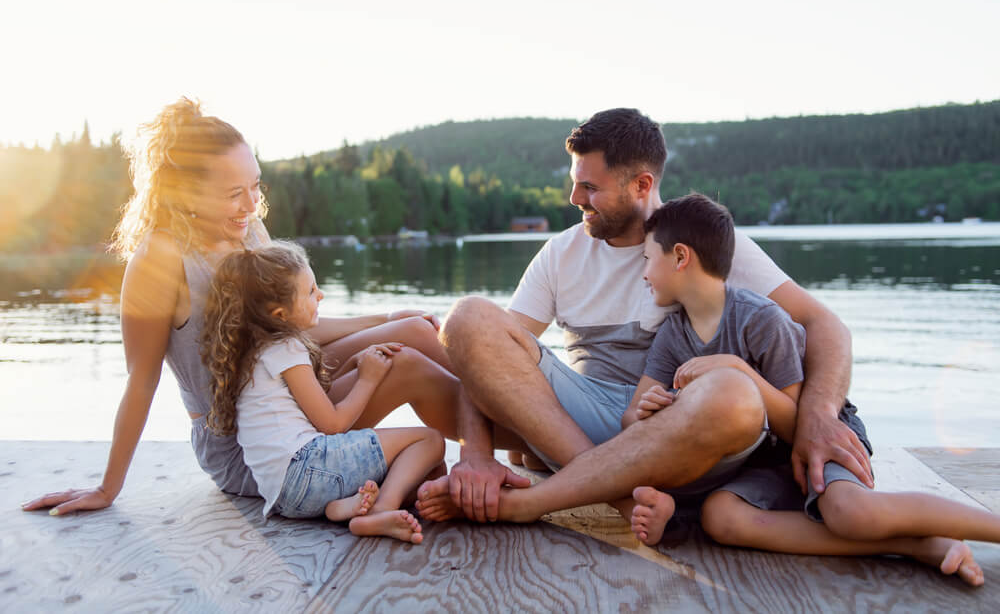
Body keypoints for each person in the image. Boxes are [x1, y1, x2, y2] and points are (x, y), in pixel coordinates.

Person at [416, 107, 870, 524]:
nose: (574, 198)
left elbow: (824, 324)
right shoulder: (562, 253)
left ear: (641, 185)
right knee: (466, 319)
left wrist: (817, 416)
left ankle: (557, 487)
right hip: (586, 422)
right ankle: (617, 495)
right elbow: (484, 357)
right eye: (575, 182)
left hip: (681, 433)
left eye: (590, 187)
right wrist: (474, 453)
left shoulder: (701, 245)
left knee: (735, 393)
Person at [23, 98, 461, 516]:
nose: (251, 205)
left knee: (417, 332)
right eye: (234, 193)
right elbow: (142, 381)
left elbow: (290, 330)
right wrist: (107, 487)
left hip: (286, 393)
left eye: (255, 187)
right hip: (249, 444)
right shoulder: (160, 257)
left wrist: (386, 318)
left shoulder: (249, 231)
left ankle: (515, 440)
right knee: (403, 366)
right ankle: (496, 451)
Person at [624, 193, 993, 586]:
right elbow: (631, 419)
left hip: (816, 435)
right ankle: (915, 545)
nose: (644, 273)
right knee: (720, 517)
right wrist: (650, 410)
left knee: (850, 513)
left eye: (648, 259)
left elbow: (794, 424)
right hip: (761, 464)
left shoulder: (762, 319)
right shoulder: (671, 336)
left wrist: (736, 369)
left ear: (680, 257)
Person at [202, 241, 443, 542]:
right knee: (430, 441)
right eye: (311, 291)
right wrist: (368, 379)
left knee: (429, 473)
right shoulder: (285, 348)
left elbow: (304, 404)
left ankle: (339, 508)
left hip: (285, 497)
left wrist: (356, 362)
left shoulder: (250, 354)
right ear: (279, 314)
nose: (321, 295)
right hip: (309, 468)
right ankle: (382, 509)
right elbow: (332, 424)